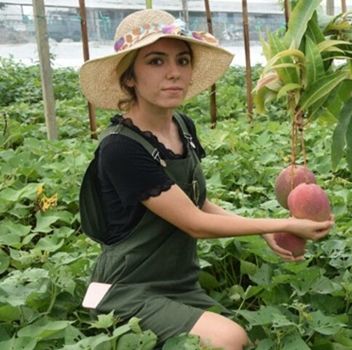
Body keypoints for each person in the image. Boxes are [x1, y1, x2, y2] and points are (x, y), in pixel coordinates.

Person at [77, 9, 333, 350]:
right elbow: (195, 223)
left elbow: (197, 202)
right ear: (129, 78)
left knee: (245, 339)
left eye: (183, 61)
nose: (173, 73)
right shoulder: (121, 148)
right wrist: (282, 222)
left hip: (179, 283)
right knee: (230, 339)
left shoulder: (182, 126)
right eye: (156, 62)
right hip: (126, 289)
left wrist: (269, 230)